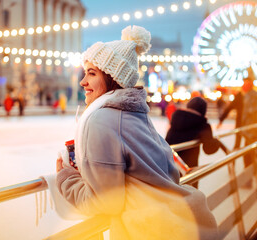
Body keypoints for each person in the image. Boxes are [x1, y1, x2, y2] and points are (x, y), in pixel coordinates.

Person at [55, 26, 217, 239]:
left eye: (92, 73)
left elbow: (106, 203)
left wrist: (65, 177)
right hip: (187, 221)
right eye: (85, 73)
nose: (82, 81)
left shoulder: (98, 120)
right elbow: (170, 173)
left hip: (153, 231)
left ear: (113, 77)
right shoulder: (137, 114)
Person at [165, 97, 225, 188]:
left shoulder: (176, 117)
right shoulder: (202, 124)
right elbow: (209, 149)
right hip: (187, 169)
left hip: (168, 165)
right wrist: (216, 141)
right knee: (189, 194)